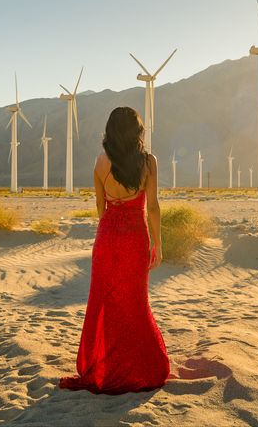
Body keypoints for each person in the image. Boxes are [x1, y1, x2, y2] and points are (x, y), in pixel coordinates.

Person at [58, 106, 170, 395]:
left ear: (110, 131)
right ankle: (138, 367)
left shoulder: (99, 163)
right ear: (137, 132)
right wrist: (158, 242)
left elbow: (100, 206)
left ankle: (104, 365)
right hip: (136, 237)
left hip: (107, 237)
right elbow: (154, 206)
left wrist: (110, 230)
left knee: (105, 302)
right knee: (134, 302)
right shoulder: (149, 162)